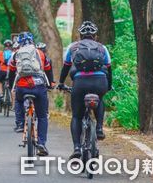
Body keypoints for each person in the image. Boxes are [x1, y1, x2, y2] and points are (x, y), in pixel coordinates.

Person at [57, 20, 112, 160]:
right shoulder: (102, 48)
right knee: (101, 99)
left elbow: (66, 67)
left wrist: (61, 83)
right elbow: (109, 69)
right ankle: (99, 128)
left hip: (80, 83)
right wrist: (108, 85)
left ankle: (76, 148)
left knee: (76, 116)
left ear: (80, 35)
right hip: (100, 81)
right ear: (95, 35)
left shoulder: (73, 47)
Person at [8, 32, 55, 157]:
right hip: (39, 87)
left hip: (22, 87)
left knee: (18, 100)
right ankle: (41, 143)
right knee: (42, 116)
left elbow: (11, 73)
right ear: (32, 41)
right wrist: (51, 83)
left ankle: (19, 123)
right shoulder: (40, 53)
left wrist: (10, 85)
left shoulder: (16, 54)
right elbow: (48, 69)